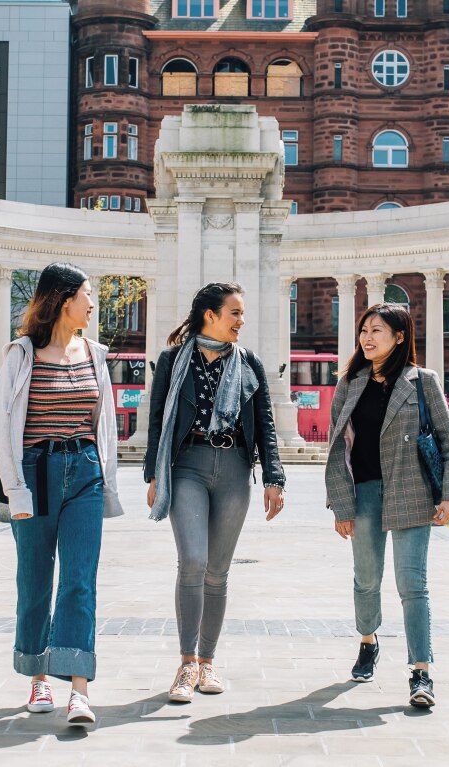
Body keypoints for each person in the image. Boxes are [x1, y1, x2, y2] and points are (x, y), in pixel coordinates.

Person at [0, 263, 125, 726]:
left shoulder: (94, 354)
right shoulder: (21, 354)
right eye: (88, 295)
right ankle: (37, 677)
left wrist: (107, 480)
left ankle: (80, 690)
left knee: (80, 580)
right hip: (35, 472)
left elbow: (103, 426)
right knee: (34, 581)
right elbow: (2, 428)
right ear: (65, 299)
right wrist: (15, 492)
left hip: (83, 471)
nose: (93, 303)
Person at [143, 282, 286, 704]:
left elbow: (266, 423)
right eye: (235, 313)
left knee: (218, 571)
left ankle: (208, 662)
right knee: (192, 561)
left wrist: (274, 477)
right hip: (187, 465)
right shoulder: (172, 361)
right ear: (210, 315)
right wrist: (153, 473)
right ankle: (186, 664)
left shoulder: (250, 363)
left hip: (236, 469)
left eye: (241, 314)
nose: (242, 321)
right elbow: (156, 419)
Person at [324, 303, 449, 710]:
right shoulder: (350, 383)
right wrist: (340, 504)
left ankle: (421, 672)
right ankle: (368, 641)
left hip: (413, 493)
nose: (367, 338)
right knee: (366, 579)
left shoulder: (423, 382)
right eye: (364, 331)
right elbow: (335, 451)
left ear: (399, 337)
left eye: (377, 331)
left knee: (413, 584)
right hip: (364, 493)